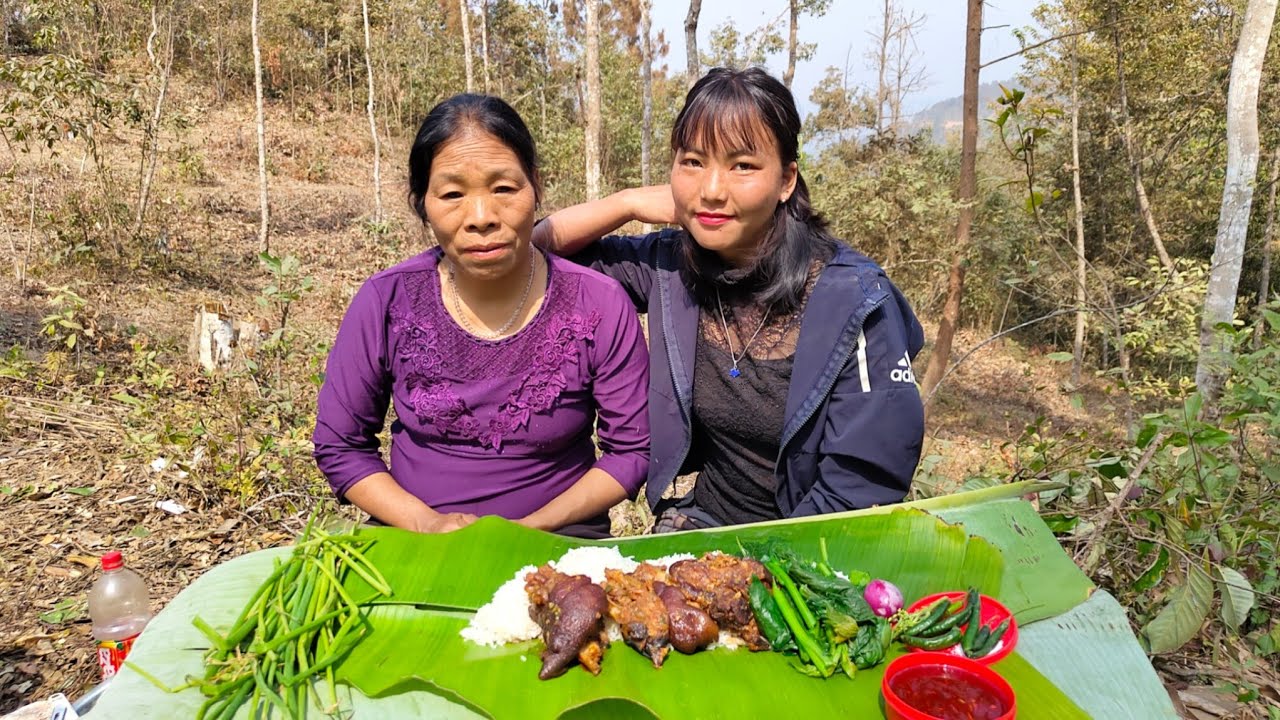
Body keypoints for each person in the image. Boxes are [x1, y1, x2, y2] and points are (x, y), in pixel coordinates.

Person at [536, 67, 925, 531]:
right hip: (700, 523)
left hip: (807, 550)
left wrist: (764, 572)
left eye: (743, 165)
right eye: (693, 162)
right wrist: (627, 202)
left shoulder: (853, 300)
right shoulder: (671, 264)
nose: (713, 190)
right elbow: (540, 252)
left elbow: (862, 486)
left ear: (786, 180)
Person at [313, 94, 650, 539]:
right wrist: (426, 523)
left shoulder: (599, 304)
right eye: (452, 194)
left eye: (504, 189)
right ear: (423, 203)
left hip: (562, 545)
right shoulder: (387, 300)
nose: (481, 217)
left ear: (536, 188)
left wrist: (531, 528)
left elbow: (632, 450)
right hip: (414, 543)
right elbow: (341, 445)